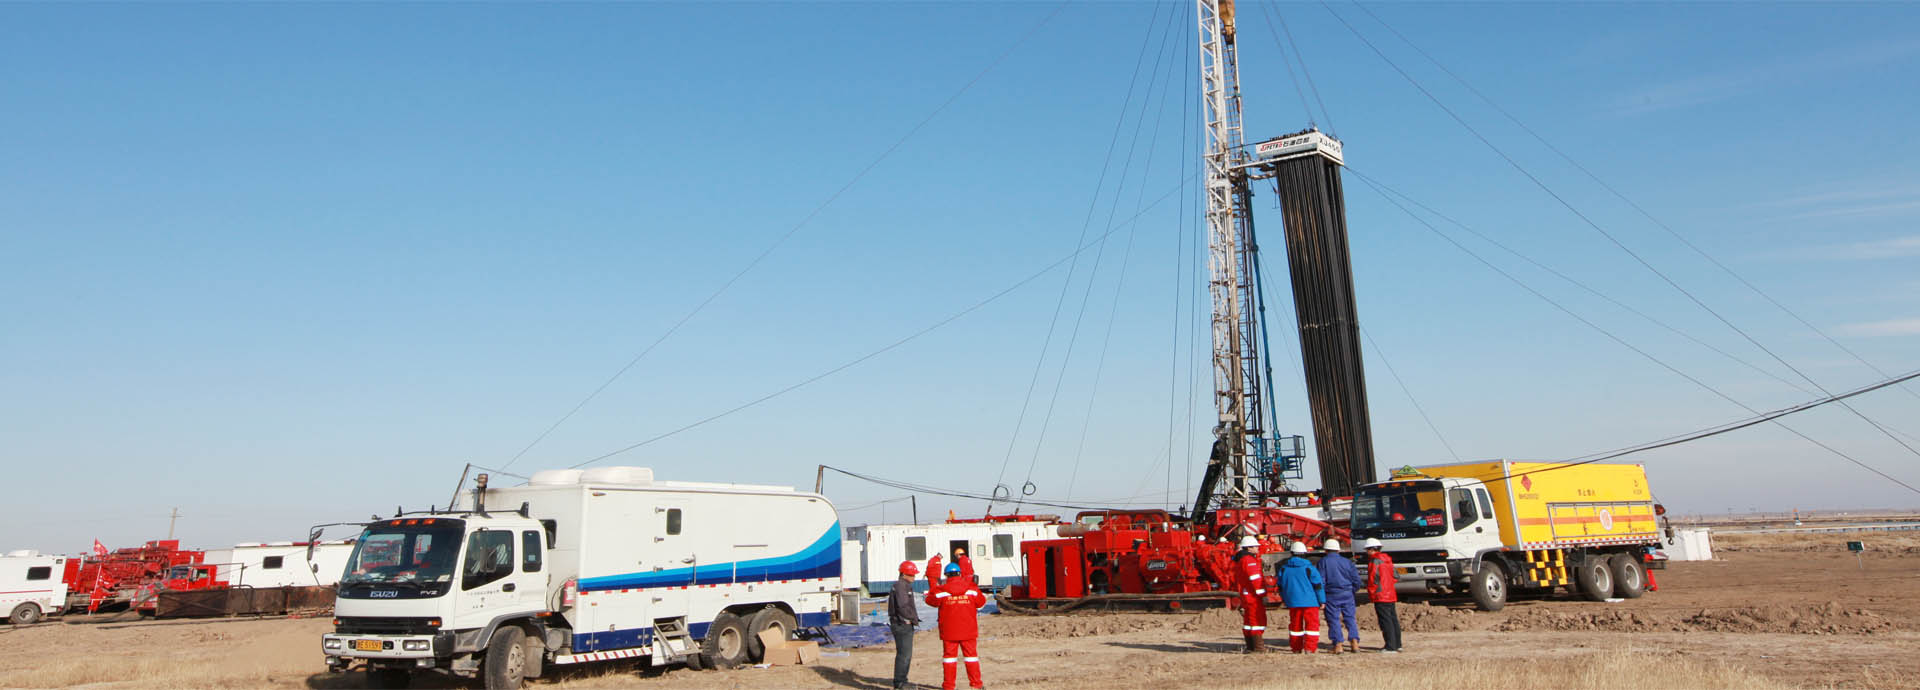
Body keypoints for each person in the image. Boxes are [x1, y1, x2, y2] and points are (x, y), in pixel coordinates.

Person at [925, 562, 987, 690]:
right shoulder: (972, 589)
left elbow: (929, 600)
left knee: (949, 659)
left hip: (949, 632)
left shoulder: (941, 591)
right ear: (960, 574)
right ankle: (976, 685)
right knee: (971, 658)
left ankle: (949, 686)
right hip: (968, 630)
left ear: (946, 575)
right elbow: (981, 603)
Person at [1276, 541, 1325, 653]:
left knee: (1295, 626)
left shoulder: (1284, 568)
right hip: (1310, 603)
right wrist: (1322, 600)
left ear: (1291, 553)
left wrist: (1286, 600)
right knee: (1312, 626)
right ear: (1304, 553)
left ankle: (1296, 648)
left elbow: (1280, 587)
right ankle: (1310, 648)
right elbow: (1318, 585)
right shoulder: (1309, 568)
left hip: (1293, 603)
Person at [1317, 538, 1363, 654]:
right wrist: (1351, 591)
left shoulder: (1323, 562)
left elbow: (1321, 582)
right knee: (1350, 618)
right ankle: (1355, 643)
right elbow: (1357, 580)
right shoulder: (1347, 562)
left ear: (1326, 550)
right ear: (1338, 550)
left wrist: (1321, 598)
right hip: (1347, 593)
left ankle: (1338, 645)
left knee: (1333, 619)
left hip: (1331, 595)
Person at [1363, 538, 1402, 653]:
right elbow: (1396, 576)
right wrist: (1387, 585)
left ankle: (1390, 646)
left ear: (1371, 549)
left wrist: (1372, 594)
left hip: (1380, 595)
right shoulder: (1387, 560)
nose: (1366, 552)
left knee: (1385, 621)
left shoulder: (1374, 561)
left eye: (1367, 550)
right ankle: (1398, 644)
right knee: (1393, 619)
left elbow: (1372, 580)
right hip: (1390, 594)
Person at [1231, 535, 1268, 653]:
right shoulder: (1249, 560)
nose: (1258, 548)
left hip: (1246, 595)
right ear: (1249, 548)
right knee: (1256, 620)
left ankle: (1251, 646)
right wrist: (1262, 595)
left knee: (1248, 621)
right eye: (1255, 546)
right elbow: (1255, 579)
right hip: (1253, 596)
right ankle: (1258, 647)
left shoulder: (1241, 560)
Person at [890, 561, 922, 690]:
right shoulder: (901, 587)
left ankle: (902, 681)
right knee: (904, 655)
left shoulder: (903, 585)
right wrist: (912, 618)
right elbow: (902, 606)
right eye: (911, 574)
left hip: (903, 624)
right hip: (902, 625)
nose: (914, 577)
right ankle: (900, 683)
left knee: (904, 654)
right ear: (904, 574)